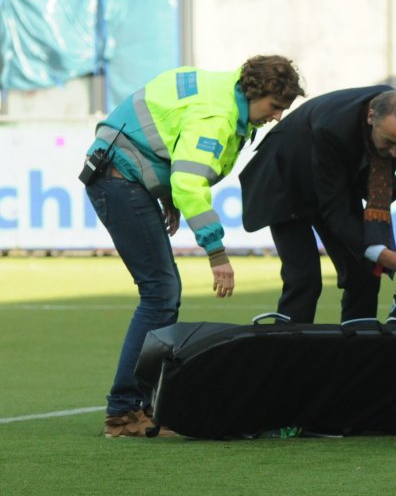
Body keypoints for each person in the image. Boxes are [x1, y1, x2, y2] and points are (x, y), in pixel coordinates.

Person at [83, 55, 304, 437]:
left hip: (118, 172)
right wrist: (217, 255)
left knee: (161, 292)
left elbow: (163, 139)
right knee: (160, 293)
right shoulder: (217, 118)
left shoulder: (219, 87)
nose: (277, 116)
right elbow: (189, 182)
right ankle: (123, 412)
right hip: (118, 179)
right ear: (256, 93)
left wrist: (164, 193)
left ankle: (136, 406)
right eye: (275, 106)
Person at [239, 86, 396, 324]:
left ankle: (356, 352)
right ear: (371, 117)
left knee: (365, 273)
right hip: (285, 179)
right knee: (304, 279)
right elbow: (335, 211)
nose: (394, 153)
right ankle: (288, 352)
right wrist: (387, 256)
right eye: (389, 141)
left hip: (335, 179)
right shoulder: (332, 128)